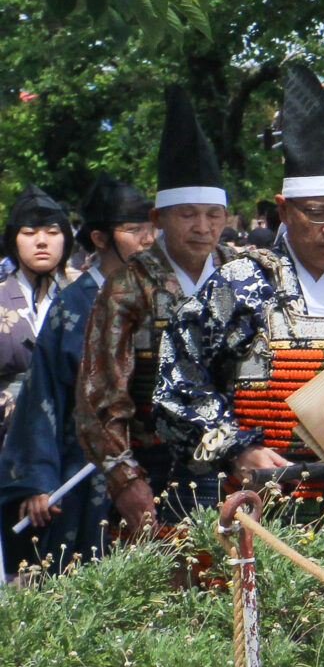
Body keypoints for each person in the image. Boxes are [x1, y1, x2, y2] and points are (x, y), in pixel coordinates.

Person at [156, 66, 324, 515]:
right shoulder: (238, 287)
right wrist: (236, 448)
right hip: (258, 500)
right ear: (284, 209)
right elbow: (178, 383)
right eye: (317, 212)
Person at [76, 82, 233, 540]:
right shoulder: (128, 285)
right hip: (156, 465)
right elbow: (100, 394)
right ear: (159, 219)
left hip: (240, 461)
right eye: (188, 214)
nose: (203, 228)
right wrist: (125, 479)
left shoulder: (241, 274)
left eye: (213, 215)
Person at [0, 178, 154, 569]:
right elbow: (43, 395)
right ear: (100, 238)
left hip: (155, 463)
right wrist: (37, 479)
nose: (147, 239)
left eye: (151, 228)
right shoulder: (73, 303)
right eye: (133, 230)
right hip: (82, 468)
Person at [0, 186, 73, 427]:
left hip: (72, 431)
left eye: (52, 232)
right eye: (30, 233)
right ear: (13, 241)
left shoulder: (87, 300)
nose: (42, 241)